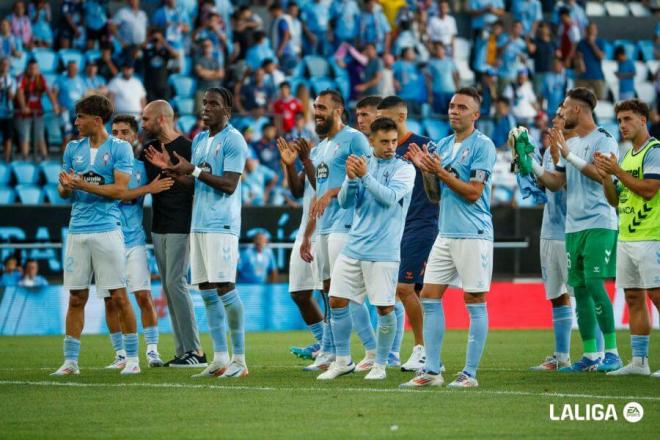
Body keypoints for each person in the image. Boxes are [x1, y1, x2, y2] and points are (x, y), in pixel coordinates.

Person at [146, 87, 248, 378]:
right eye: (204, 103)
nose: (206, 108)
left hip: (222, 225)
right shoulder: (201, 140)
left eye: (213, 104)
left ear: (226, 111)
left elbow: (229, 184)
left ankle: (239, 360)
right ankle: (219, 358)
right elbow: (196, 183)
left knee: (225, 286)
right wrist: (172, 171)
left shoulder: (234, 140)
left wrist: (191, 171)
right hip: (199, 224)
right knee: (206, 291)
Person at [400, 87, 496, 388]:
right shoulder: (441, 144)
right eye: (452, 106)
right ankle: (431, 370)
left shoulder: (483, 146)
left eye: (462, 107)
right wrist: (425, 172)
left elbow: (473, 193)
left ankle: (469, 373)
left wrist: (438, 171)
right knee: (428, 296)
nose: (454, 111)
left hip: (473, 233)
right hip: (446, 231)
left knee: (474, 299)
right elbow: (435, 196)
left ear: (476, 115)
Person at [531, 87, 622, 372]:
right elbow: (556, 182)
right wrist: (529, 163)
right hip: (573, 226)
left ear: (578, 110)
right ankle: (590, 356)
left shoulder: (603, 139)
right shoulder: (569, 143)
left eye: (565, 109)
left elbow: (602, 175)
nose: (561, 113)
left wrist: (568, 155)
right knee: (580, 290)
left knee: (594, 284)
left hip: (599, 222)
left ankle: (613, 352)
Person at [317, 116, 415, 381]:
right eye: (384, 141)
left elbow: (389, 198)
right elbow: (348, 203)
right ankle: (342, 360)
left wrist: (364, 176)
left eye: (394, 141)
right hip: (354, 247)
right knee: (336, 300)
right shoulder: (363, 164)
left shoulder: (405, 169)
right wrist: (350, 180)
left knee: (384, 308)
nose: (390, 146)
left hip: (383, 251)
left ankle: (380, 365)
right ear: (371, 141)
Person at [52, 94, 139, 376]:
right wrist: (66, 187)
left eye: (80, 118)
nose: (76, 122)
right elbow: (65, 192)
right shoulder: (72, 148)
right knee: (76, 297)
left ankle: (134, 359)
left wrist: (82, 185)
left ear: (97, 120)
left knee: (118, 295)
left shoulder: (120, 149)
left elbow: (121, 191)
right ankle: (70, 362)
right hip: (77, 230)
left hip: (107, 230)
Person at [300, 89, 371, 371]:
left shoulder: (354, 139)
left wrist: (333, 192)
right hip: (325, 228)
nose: (317, 112)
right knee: (328, 290)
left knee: (344, 292)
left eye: (322, 108)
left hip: (347, 224)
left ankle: (371, 351)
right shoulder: (321, 148)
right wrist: (307, 235)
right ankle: (330, 351)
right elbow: (316, 198)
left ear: (338, 110)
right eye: (315, 107)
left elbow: (370, 175)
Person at [594, 99, 660, 377]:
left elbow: (649, 190)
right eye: (619, 120)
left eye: (628, 119)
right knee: (634, 297)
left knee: (657, 296)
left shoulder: (654, 151)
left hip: (652, 237)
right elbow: (615, 201)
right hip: (627, 236)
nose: (622, 125)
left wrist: (617, 172)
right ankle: (640, 362)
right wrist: (607, 179)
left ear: (643, 120)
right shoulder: (627, 155)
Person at [102, 114, 173, 370]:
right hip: (107, 240)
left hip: (133, 241)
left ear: (134, 137)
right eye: (115, 132)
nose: (119, 136)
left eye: (124, 132)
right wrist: (146, 190)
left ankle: (152, 351)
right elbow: (117, 195)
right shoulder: (102, 167)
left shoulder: (143, 168)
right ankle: (120, 354)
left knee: (143, 296)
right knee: (111, 299)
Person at [141, 100, 205, 368]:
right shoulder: (147, 149)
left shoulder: (189, 148)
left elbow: (198, 186)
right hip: (158, 225)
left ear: (161, 119)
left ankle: (196, 351)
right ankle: (183, 352)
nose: (142, 124)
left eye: (146, 119)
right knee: (169, 286)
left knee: (176, 283)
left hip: (181, 223)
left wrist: (168, 167)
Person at [511, 107, 575, 370]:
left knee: (582, 294)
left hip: (574, 230)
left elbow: (566, 185)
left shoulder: (578, 151)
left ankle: (600, 355)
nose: (554, 119)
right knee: (557, 295)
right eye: (555, 115)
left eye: (560, 115)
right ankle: (562, 357)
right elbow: (545, 189)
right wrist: (524, 169)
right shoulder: (549, 151)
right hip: (550, 229)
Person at [377, 96, 437, 372]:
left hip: (421, 224)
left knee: (405, 288)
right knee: (411, 291)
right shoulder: (385, 150)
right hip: (396, 229)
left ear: (400, 117)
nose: (378, 122)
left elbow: (439, 184)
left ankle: (421, 349)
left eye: (383, 116)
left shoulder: (424, 144)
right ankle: (423, 352)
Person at [278, 136, 325, 359]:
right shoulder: (315, 153)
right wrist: (290, 165)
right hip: (305, 231)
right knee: (299, 293)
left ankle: (334, 350)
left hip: (327, 230)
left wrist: (306, 160)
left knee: (329, 293)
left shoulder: (341, 151)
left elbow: (324, 188)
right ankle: (325, 343)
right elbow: (297, 191)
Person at [15, 59, 58, 160]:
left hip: (37, 112)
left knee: (40, 136)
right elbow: (19, 92)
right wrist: (23, 107)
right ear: (27, 69)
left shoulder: (41, 78)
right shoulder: (22, 78)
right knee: (25, 137)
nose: (33, 70)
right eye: (31, 68)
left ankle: (44, 158)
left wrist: (55, 105)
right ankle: (25, 158)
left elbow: (49, 92)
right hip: (24, 114)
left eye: (35, 68)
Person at [0, 57, 16, 162]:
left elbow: (12, 97)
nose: (5, 66)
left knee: (8, 136)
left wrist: (8, 89)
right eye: (3, 64)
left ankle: (6, 158)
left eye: (7, 64)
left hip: (8, 113)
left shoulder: (12, 80)